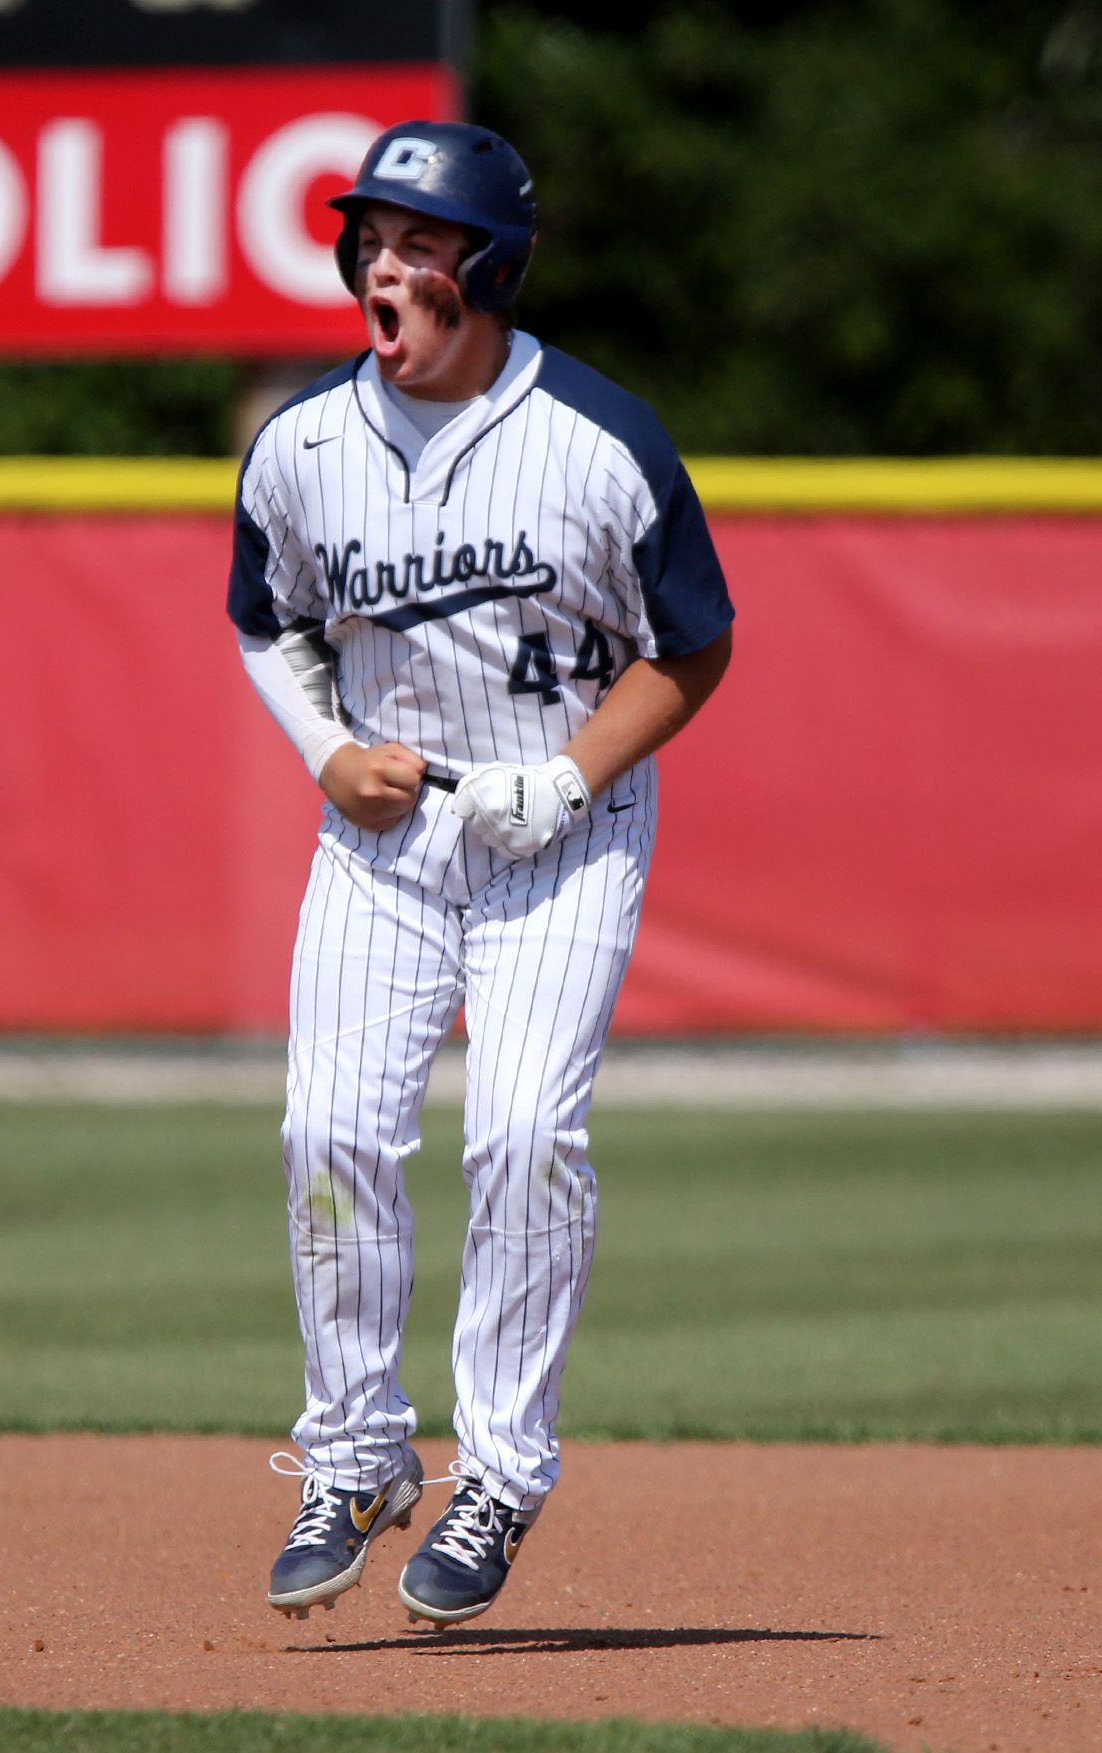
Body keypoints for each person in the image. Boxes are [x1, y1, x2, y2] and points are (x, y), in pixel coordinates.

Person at [228, 120, 736, 1628]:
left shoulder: (600, 440)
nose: (388, 261)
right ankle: (357, 1456)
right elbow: (267, 623)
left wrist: (572, 774)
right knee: (327, 1125)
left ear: (493, 264)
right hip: (387, 838)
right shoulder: (304, 451)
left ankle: (499, 1475)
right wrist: (325, 749)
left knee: (521, 1135)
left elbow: (694, 643)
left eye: (421, 238)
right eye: (372, 235)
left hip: (566, 835)